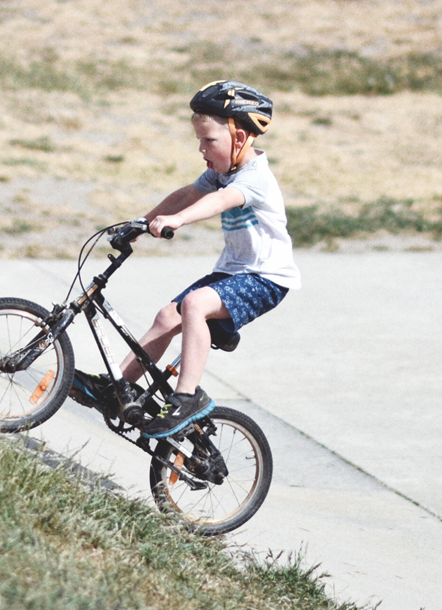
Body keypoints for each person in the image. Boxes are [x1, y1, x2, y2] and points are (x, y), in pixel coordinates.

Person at [71, 80, 301, 438]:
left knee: (194, 305)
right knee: (167, 316)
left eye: (209, 141)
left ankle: (186, 398)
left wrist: (177, 221)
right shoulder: (222, 172)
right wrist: (141, 224)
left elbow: (218, 202)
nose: (201, 149)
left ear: (239, 138)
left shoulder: (256, 178)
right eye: (199, 141)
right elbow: (189, 193)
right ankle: (117, 387)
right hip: (232, 271)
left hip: (266, 277)